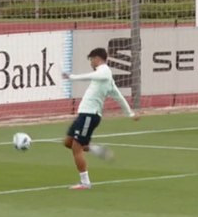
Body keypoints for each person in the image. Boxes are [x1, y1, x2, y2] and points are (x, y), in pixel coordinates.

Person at [60, 47, 140, 190]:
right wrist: (130, 113)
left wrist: (72, 77)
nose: (91, 62)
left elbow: (92, 76)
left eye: (91, 59)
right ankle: (95, 149)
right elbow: (119, 97)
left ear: (97, 58)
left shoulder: (104, 72)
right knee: (68, 142)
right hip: (85, 114)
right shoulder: (106, 78)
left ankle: (85, 183)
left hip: (89, 115)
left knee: (76, 148)